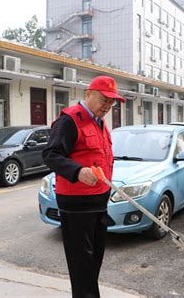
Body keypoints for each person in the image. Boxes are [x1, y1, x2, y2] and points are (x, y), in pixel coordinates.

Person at [43, 76, 125, 298]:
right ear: (88, 94)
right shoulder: (70, 120)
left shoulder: (99, 122)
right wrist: (77, 172)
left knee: (94, 260)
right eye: (104, 100)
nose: (107, 106)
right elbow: (51, 155)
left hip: (98, 201)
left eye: (112, 102)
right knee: (81, 264)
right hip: (77, 203)